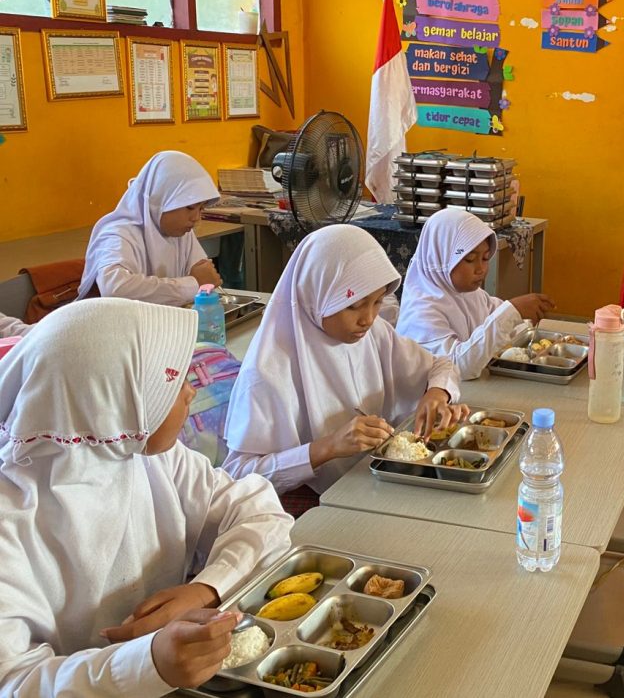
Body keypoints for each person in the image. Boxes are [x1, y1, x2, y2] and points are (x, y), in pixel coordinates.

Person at [0, 298, 293, 696]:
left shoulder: (144, 457)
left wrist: (207, 588)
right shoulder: (12, 518)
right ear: (111, 401)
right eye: (169, 383)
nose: (189, 392)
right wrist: (147, 663)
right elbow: (14, 682)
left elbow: (259, 512)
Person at [223, 224, 464, 514]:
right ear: (317, 296)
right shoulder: (268, 373)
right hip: (312, 506)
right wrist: (327, 447)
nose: (368, 318)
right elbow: (237, 475)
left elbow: (441, 364)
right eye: (354, 306)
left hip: (371, 483)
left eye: (377, 302)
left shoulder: (375, 334)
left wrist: (436, 394)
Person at [397, 207, 555, 380]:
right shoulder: (421, 311)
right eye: (470, 259)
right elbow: (457, 368)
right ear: (441, 258)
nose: (481, 269)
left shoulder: (469, 294)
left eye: (486, 258)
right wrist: (512, 311)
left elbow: (501, 321)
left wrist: (525, 317)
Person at [78, 151, 222, 306]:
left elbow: (205, 276)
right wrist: (192, 285)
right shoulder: (117, 234)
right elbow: (115, 288)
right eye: (190, 207)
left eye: (201, 209)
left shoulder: (181, 231)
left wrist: (201, 282)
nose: (196, 218)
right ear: (161, 200)